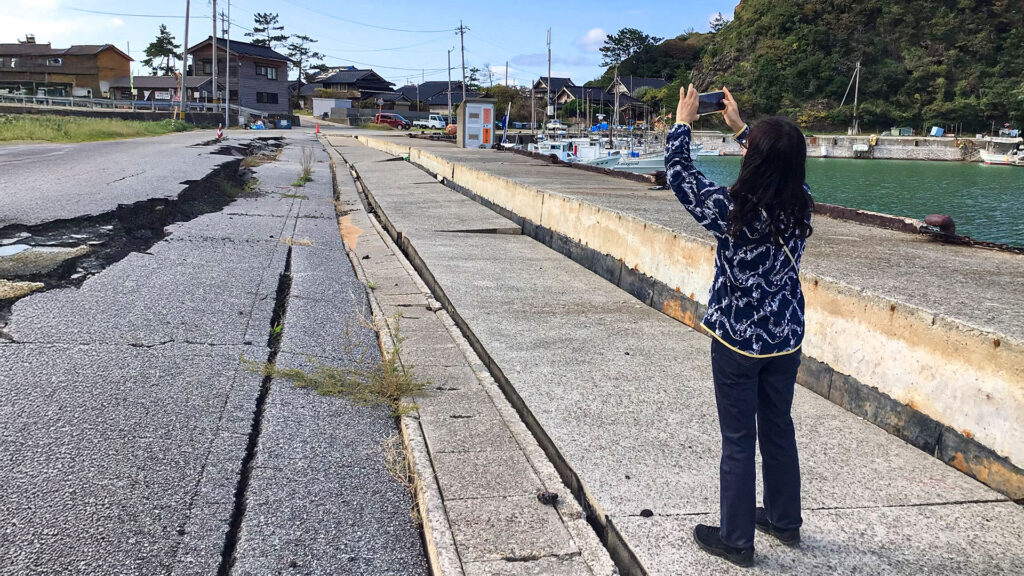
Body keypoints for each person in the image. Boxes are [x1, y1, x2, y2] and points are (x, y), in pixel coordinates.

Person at [665, 85, 814, 567]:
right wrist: (743, 128)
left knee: (737, 440)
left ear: (754, 160)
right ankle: (784, 521)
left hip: (737, 342)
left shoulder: (733, 210)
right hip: (785, 338)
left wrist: (685, 122)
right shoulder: (802, 203)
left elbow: (680, 174)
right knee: (778, 427)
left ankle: (736, 540)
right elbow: (777, 160)